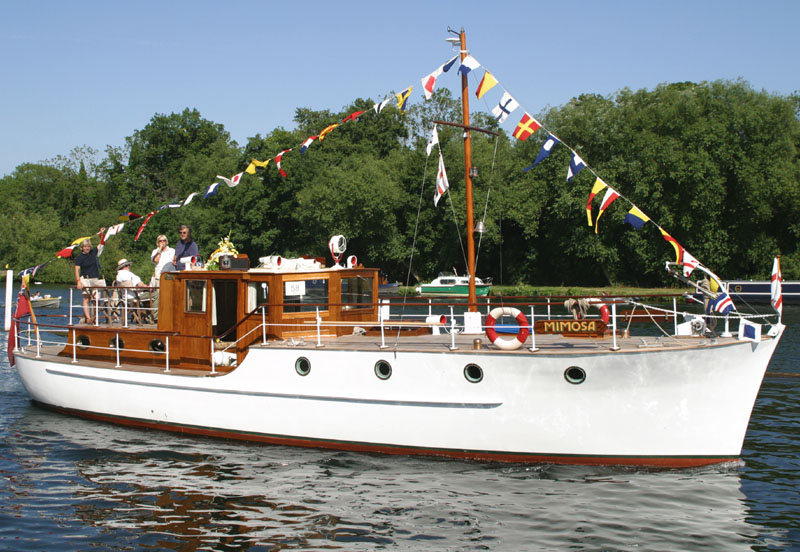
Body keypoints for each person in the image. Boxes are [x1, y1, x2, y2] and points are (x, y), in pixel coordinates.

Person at [74, 228, 107, 323]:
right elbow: (77, 269)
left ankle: (94, 316)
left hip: (95, 278)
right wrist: (78, 281)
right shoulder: (80, 257)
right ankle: (88, 318)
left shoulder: (93, 252)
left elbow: (102, 243)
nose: (87, 248)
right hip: (86, 278)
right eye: (85, 247)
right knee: (86, 298)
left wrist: (102, 233)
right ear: (82, 247)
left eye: (88, 246)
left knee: (97, 299)